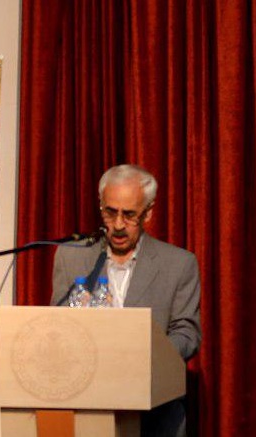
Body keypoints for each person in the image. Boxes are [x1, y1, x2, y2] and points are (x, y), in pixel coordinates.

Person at [51, 164, 202, 436]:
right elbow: (57, 325)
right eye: (110, 212)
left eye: (129, 215)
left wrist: (142, 357)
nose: (118, 225)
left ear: (148, 213)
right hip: (88, 407)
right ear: (101, 207)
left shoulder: (179, 264)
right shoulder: (71, 257)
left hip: (154, 412)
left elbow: (187, 334)